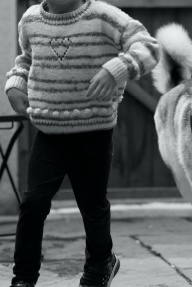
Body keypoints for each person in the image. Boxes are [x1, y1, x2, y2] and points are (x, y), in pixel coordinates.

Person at [5, 0, 160, 286]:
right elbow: (27, 58)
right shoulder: (30, 20)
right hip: (48, 134)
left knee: (92, 206)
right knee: (33, 204)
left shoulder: (103, 16)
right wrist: (16, 83)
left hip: (93, 133)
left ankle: (100, 265)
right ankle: (23, 279)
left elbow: (149, 47)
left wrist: (119, 67)